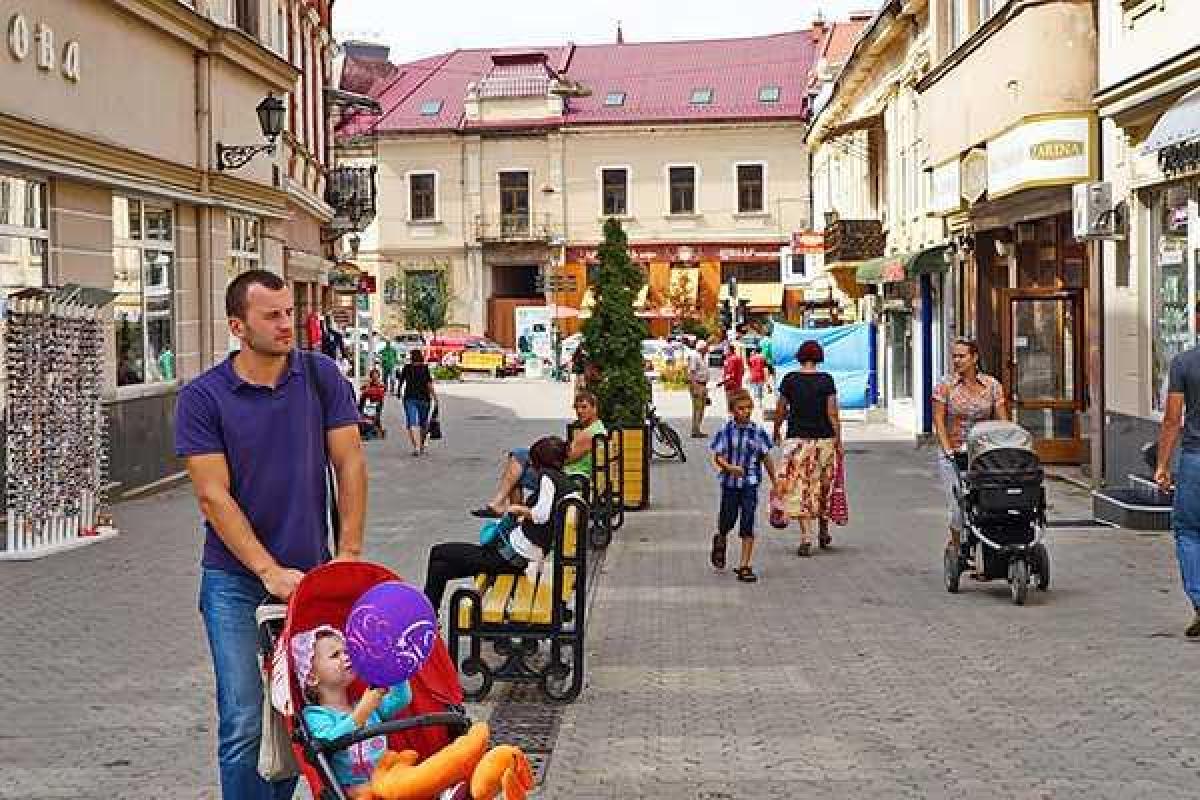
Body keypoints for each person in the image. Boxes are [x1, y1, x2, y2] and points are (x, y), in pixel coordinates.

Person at [176, 269, 367, 800]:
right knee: (244, 719)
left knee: (302, 714)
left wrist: (348, 553)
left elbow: (349, 462)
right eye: (273, 315)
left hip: (312, 577)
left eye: (289, 312)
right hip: (235, 582)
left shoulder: (320, 375)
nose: (289, 324)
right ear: (238, 325)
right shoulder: (203, 398)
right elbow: (214, 496)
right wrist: (266, 570)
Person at [425, 436, 572, 610]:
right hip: (513, 555)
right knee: (439, 568)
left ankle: (426, 618)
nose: (531, 467)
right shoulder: (563, 481)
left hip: (510, 558)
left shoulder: (548, 478)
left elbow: (541, 515)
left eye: (533, 462)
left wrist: (517, 509)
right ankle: (428, 616)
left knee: (439, 552)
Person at [292, 626, 414, 799]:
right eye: (335, 655)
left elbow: (401, 699)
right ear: (312, 677)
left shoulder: (365, 706)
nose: (346, 656)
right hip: (351, 791)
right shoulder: (315, 715)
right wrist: (362, 711)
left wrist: (394, 667)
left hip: (386, 778)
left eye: (347, 651)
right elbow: (329, 741)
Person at [471, 391, 605, 518]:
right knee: (519, 459)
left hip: (570, 480)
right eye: (577, 407)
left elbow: (564, 459)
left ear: (595, 408)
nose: (579, 411)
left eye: (584, 407)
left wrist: (540, 455)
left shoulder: (589, 435)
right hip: (573, 475)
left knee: (517, 466)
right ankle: (504, 507)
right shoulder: (595, 429)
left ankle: (507, 511)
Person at [932, 338, 1007, 561]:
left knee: (988, 504)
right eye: (954, 356)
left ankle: (990, 551)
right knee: (958, 508)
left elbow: (1003, 420)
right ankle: (958, 549)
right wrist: (947, 450)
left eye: (961, 356)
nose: (956, 360)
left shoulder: (992, 385)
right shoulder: (945, 386)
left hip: (985, 455)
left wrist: (1006, 446)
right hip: (955, 454)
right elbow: (938, 419)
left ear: (974, 358)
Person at [772, 340, 842, 556]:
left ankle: (805, 537)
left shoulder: (790, 380)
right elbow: (832, 412)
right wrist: (838, 437)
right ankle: (823, 530)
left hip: (797, 440)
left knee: (800, 486)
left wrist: (776, 429)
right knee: (823, 484)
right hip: (824, 440)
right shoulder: (826, 380)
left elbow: (781, 408)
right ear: (819, 357)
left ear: (799, 356)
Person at [1155, 343, 1200, 637]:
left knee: (1189, 532)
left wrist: (1162, 465)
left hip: (1196, 459)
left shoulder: (1184, 363)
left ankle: (1199, 601)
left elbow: (1173, 419)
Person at [710, 388, 776, 583]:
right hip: (730, 484)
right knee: (727, 519)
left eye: (748, 408)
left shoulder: (757, 432)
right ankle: (721, 537)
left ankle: (745, 566)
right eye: (741, 408)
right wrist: (730, 467)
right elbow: (718, 457)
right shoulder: (725, 431)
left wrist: (776, 481)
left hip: (750, 484)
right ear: (732, 410)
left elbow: (765, 457)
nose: (745, 412)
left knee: (748, 521)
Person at [394, 349, 437, 457]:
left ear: (412, 357)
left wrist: (398, 392)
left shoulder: (407, 368)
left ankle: (417, 447)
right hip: (424, 399)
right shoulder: (425, 368)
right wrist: (435, 397)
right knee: (423, 423)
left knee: (412, 422)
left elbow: (401, 381)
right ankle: (420, 445)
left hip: (409, 398)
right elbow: (429, 384)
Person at [687, 340, 710, 438]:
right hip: (697, 385)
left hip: (703, 385)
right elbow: (692, 373)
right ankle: (695, 430)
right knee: (697, 408)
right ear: (702, 348)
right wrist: (695, 387)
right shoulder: (695, 356)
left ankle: (697, 429)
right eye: (706, 348)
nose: (707, 349)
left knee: (701, 408)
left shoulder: (702, 357)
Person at [358, 368, 387, 440]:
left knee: (375, 417)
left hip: (377, 403)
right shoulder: (368, 384)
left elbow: (381, 393)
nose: (374, 377)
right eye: (373, 375)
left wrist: (368, 390)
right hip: (368, 403)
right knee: (371, 417)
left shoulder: (381, 384)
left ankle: (374, 432)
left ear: (378, 376)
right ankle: (378, 432)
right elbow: (362, 390)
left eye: (376, 375)